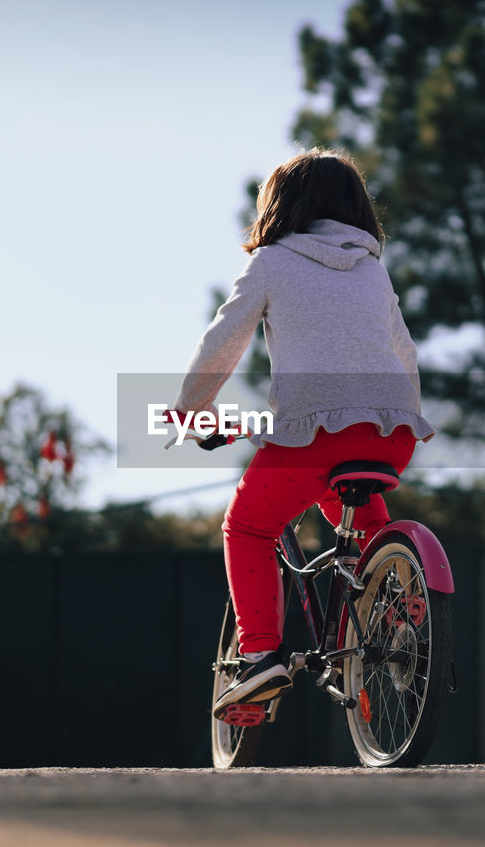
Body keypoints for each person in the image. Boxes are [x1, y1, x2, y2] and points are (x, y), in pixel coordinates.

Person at [171, 147, 435, 717]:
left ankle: (261, 654)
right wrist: (404, 413)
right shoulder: (372, 267)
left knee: (247, 525)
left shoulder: (271, 261)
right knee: (356, 512)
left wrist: (192, 409)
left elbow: (222, 343)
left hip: (315, 431)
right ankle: (392, 609)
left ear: (282, 205)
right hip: (393, 431)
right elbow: (405, 352)